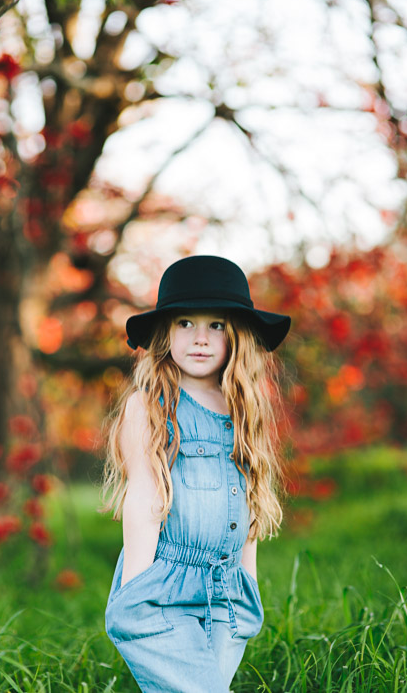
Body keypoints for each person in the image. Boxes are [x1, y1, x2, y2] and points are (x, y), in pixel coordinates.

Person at [100, 255, 290, 693]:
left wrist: (249, 587)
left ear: (237, 335)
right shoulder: (149, 407)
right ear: (166, 332)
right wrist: (137, 591)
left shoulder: (246, 409)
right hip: (164, 587)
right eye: (185, 323)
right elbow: (145, 497)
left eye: (216, 326)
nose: (200, 339)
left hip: (228, 595)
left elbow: (251, 501)